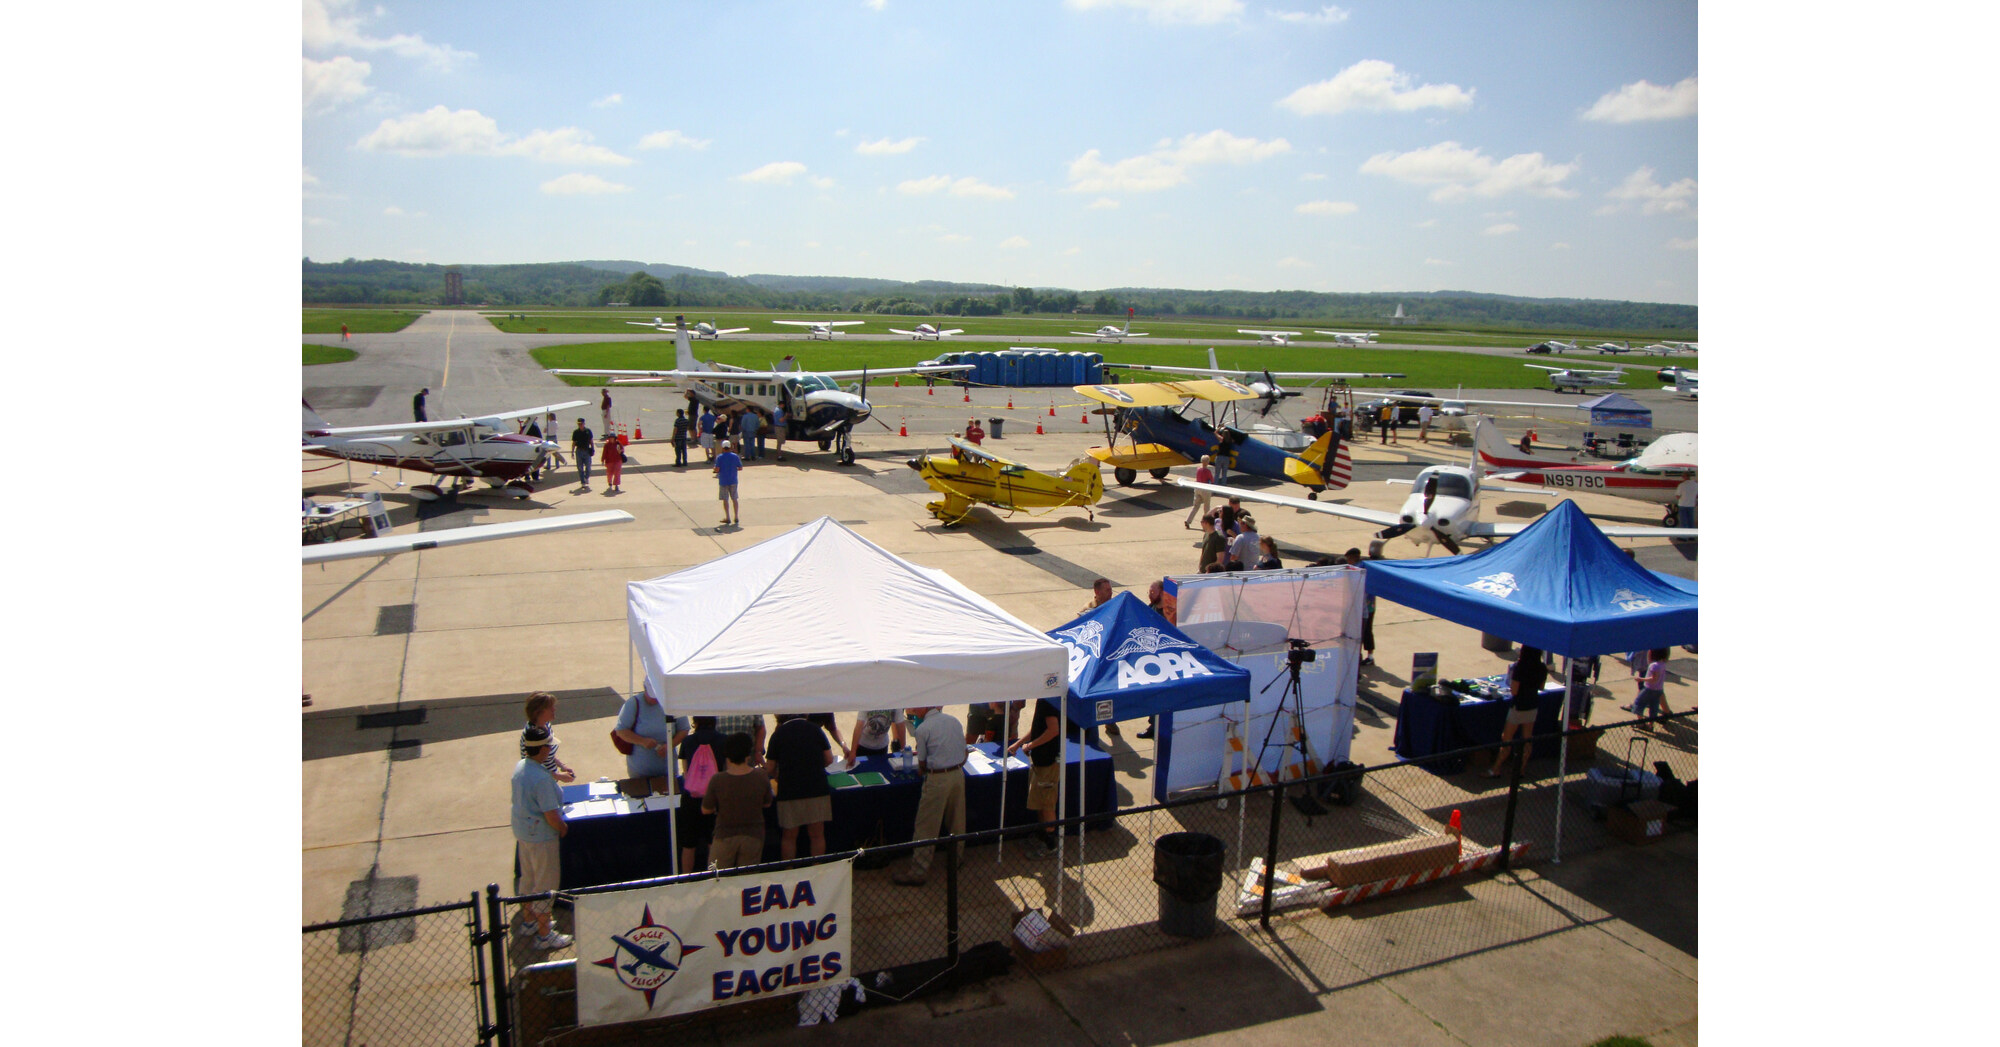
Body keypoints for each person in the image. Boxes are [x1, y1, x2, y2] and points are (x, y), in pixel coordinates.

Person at [511, 725, 572, 950]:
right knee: (546, 883)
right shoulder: (541, 778)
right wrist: (562, 827)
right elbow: (551, 815)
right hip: (541, 837)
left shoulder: (521, 766)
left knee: (528, 879)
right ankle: (545, 934)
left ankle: (529, 921)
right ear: (544, 749)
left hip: (523, 832)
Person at [892, 705, 967, 885]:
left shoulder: (923, 729)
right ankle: (956, 859)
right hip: (958, 775)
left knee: (926, 826)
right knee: (957, 821)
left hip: (938, 779)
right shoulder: (954, 721)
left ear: (924, 708)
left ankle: (919, 871)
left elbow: (922, 762)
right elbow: (964, 753)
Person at [766, 713, 834, 860]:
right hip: (816, 788)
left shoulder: (779, 734)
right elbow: (829, 758)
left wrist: (778, 776)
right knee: (817, 835)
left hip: (789, 790)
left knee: (789, 837)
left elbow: (770, 767)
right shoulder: (816, 730)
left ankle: (790, 872)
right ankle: (817, 870)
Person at [701, 732, 772, 870]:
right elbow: (767, 803)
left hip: (724, 835)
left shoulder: (718, 780)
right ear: (748, 753)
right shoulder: (761, 777)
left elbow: (706, 809)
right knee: (747, 882)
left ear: (727, 754)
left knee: (716, 877)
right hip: (753, 835)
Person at [1005, 698, 1064, 859]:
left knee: (1047, 804)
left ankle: (1051, 844)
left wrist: (1030, 746)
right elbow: (1037, 728)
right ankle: (1042, 835)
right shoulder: (1043, 700)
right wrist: (1019, 743)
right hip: (1039, 762)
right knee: (1040, 801)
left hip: (1048, 762)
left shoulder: (1049, 701)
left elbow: (1053, 730)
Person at [1485, 645, 1549, 778]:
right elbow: (1541, 687)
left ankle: (1496, 769)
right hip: (1532, 705)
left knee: (1506, 740)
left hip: (1518, 707)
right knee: (1527, 739)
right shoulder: (1542, 668)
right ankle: (1521, 769)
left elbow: (1514, 690)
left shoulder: (1520, 668)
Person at [676, 716, 726, 873]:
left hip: (691, 797)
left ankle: (686, 878)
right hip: (714, 797)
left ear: (695, 722)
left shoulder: (688, 741)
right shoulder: (723, 740)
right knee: (713, 842)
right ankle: (714, 875)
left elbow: (685, 772)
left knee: (688, 844)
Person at [612, 685, 677, 782]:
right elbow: (621, 731)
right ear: (644, 688)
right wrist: (642, 741)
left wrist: (669, 745)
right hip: (639, 771)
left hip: (668, 769)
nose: (653, 699)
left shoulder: (671, 702)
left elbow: (683, 729)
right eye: (651, 695)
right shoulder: (633, 704)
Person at [522, 692, 575, 784]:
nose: (554, 709)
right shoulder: (530, 735)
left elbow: (547, 751)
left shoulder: (546, 725)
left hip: (551, 780)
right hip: (541, 783)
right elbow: (531, 767)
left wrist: (562, 766)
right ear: (538, 712)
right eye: (550, 708)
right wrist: (558, 776)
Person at [1344, 548, 1375, 665]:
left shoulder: (1357, 569)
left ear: (1352, 557)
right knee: (1367, 632)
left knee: (1364, 633)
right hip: (1369, 605)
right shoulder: (1364, 566)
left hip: (1364, 606)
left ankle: (1366, 657)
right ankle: (1368, 656)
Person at [1627, 648, 1673, 722]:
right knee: (1654, 707)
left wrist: (1641, 679)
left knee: (1638, 704)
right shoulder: (1663, 665)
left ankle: (1640, 723)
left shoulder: (1653, 666)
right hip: (1658, 689)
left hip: (1649, 689)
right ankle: (1654, 722)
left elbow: (1653, 679)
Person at [714, 439, 742, 526]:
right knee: (734, 498)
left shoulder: (720, 457)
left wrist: (715, 470)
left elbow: (717, 469)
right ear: (730, 447)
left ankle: (728, 517)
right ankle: (736, 516)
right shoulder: (735, 456)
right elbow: (740, 467)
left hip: (723, 480)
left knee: (725, 499)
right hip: (733, 480)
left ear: (722, 448)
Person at [1184, 456, 1214, 529]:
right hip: (1205, 489)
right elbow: (1212, 480)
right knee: (1206, 508)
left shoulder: (1198, 469)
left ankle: (1188, 520)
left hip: (1197, 488)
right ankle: (1206, 524)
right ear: (1207, 462)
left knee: (1195, 506)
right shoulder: (1208, 471)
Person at [571, 418, 594, 490]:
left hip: (586, 450)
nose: (580, 425)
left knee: (588, 466)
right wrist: (572, 451)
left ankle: (586, 477)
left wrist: (592, 448)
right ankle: (582, 482)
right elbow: (574, 442)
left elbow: (591, 441)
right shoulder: (576, 432)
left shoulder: (588, 431)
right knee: (580, 467)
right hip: (579, 451)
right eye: (579, 424)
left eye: (581, 424)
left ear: (584, 424)